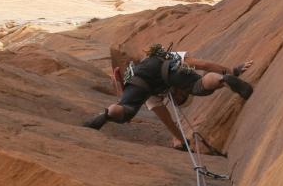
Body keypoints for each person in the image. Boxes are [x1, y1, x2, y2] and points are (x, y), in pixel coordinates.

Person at [83, 44, 253, 133]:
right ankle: (223, 79)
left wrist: (178, 140)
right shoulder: (167, 57)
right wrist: (233, 71)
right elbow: (204, 64)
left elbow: (168, 122)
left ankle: (107, 114)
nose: (179, 97)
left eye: (180, 100)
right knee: (199, 85)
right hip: (165, 70)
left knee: (125, 110)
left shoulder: (153, 92)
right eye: (182, 99)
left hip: (137, 81)